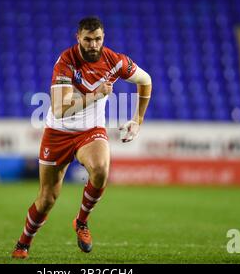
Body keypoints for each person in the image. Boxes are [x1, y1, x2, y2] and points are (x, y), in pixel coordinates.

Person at [11, 16, 152, 259]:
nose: (93, 44)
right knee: (47, 199)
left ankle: (82, 222)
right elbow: (59, 108)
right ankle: (24, 243)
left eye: (97, 39)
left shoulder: (115, 61)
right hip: (58, 133)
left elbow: (146, 80)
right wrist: (96, 95)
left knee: (100, 169)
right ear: (78, 38)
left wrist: (137, 120)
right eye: (87, 39)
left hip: (91, 131)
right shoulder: (66, 62)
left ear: (103, 37)